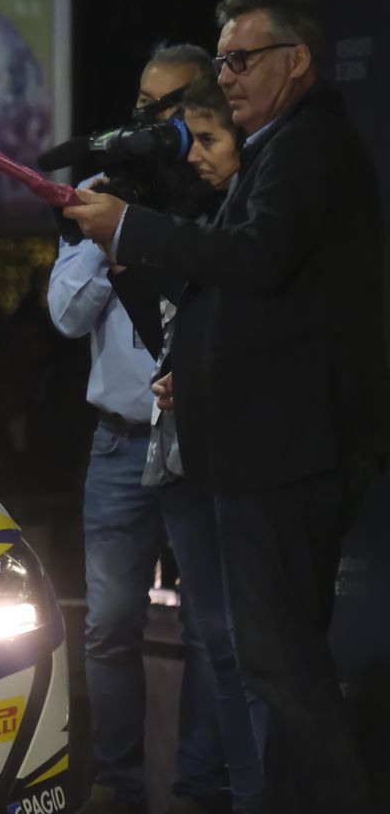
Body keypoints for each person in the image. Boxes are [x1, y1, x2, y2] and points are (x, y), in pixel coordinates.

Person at [65, 0, 386, 812]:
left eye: (242, 60)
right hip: (263, 447)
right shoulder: (284, 146)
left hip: (283, 453)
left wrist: (131, 229)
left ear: (298, 61)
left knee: (283, 668)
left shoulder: (307, 147)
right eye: (223, 61)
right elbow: (238, 295)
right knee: (281, 669)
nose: (229, 76)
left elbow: (254, 260)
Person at [49, 45, 234, 814]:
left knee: (208, 634)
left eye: (162, 107)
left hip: (200, 440)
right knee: (108, 630)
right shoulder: (99, 190)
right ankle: (115, 786)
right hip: (121, 437)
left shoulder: (217, 189)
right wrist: (110, 238)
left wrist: (154, 234)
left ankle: (198, 789)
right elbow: (65, 315)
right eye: (139, 102)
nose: (143, 120)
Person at [140, 79, 263, 814]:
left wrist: (202, 377)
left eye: (210, 141)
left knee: (244, 650)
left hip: (238, 456)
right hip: (177, 454)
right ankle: (206, 793)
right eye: (187, 147)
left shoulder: (254, 227)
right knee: (216, 642)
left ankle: (251, 796)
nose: (198, 158)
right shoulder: (174, 217)